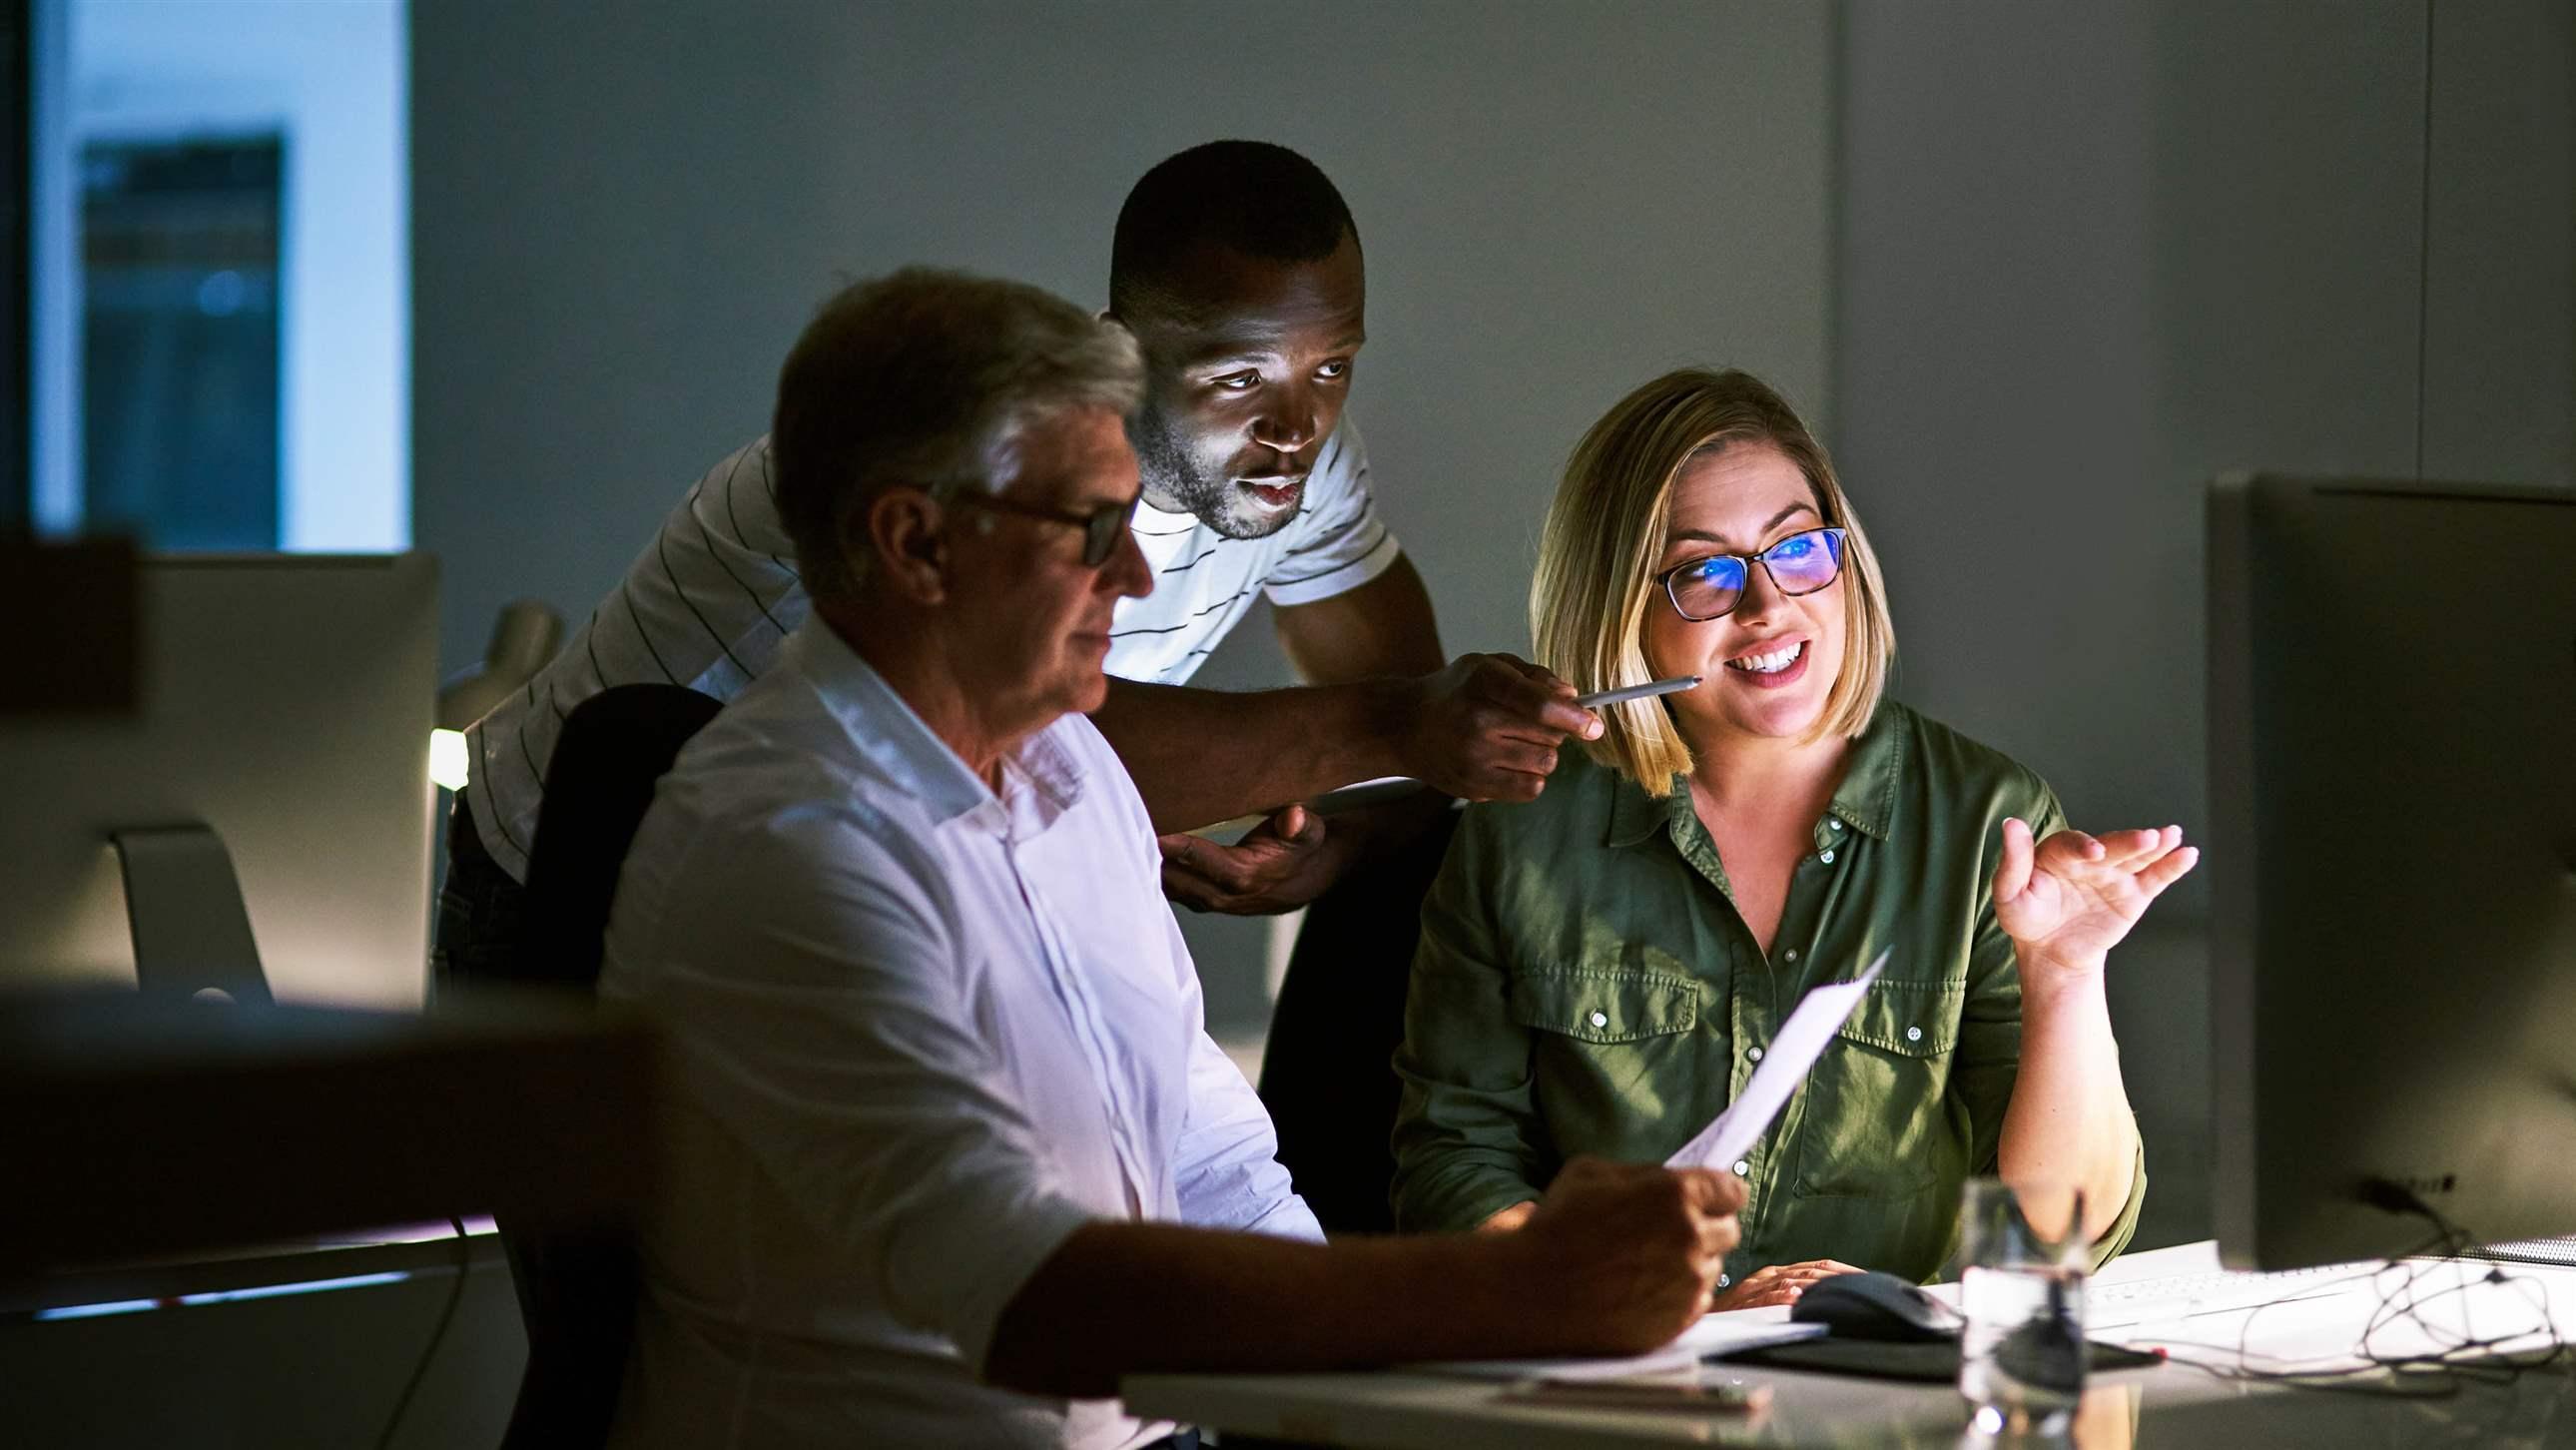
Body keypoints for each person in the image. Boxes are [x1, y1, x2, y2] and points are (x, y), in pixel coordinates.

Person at [597, 270, 1742, 1449]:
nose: (1136, 578)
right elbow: (1038, 1301)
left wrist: (1426, 1378)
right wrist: (1517, 1290)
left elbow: (1218, 1172)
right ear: (918, 542)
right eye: (1092, 531)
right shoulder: (789, 848)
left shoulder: (1075, 773)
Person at [439, 140, 1594, 985]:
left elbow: (1397, 732)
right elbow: (1037, 741)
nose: (1297, 424)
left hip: (884, 886)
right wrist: (1401, 729)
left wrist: (1334, 851)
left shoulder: (1295, 461)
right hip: (575, 879)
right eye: (1241, 378)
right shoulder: (951, 466)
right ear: (1126, 350)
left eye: (1332, 366)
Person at [1389, 367, 2193, 1308]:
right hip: (1633, 1385)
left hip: (1900, 1396)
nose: (1768, 608)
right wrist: (1645, 1298)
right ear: (1619, 611)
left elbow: (2063, 1239)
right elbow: (1454, 1168)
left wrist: (2064, 975)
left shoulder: (1986, 817)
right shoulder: (1519, 832)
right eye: (1704, 573)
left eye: (1798, 550)